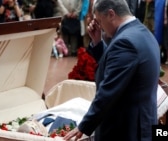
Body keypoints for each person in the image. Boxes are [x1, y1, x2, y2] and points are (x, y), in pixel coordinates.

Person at [63, 0, 160, 141]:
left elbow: (109, 90)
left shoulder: (125, 42)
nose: (100, 27)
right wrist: (97, 42)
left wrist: (84, 126)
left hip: (125, 129)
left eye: (100, 21)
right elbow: (118, 67)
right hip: (141, 122)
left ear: (111, 14)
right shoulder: (141, 31)